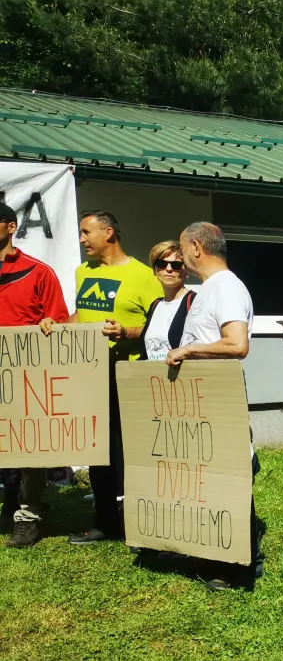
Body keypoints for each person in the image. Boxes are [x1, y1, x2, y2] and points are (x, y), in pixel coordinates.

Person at [168, 221, 261, 591]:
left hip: (219, 400)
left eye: (180, 248)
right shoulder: (208, 289)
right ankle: (210, 551)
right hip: (201, 401)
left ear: (195, 246)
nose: (177, 256)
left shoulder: (227, 287)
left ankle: (237, 566)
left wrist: (188, 350)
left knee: (230, 477)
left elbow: (236, 344)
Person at [69, 210, 163, 544]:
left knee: (131, 450)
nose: (82, 240)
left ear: (108, 233)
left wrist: (126, 331)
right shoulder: (84, 272)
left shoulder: (143, 275)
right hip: (93, 373)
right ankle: (105, 519)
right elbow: (82, 313)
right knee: (98, 447)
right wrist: (56, 325)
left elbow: (159, 325)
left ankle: (141, 520)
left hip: (130, 373)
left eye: (86, 233)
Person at [0, 203, 69, 547]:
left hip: (27, 378)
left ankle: (27, 515)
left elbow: (59, 323)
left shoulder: (38, 272)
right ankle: (8, 500)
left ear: (10, 226)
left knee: (29, 448)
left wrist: (49, 325)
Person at [140, 241, 194, 361]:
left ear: (186, 271)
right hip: (154, 377)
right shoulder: (155, 305)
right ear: (155, 269)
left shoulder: (195, 302)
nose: (169, 269)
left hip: (184, 378)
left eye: (176, 265)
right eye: (161, 264)